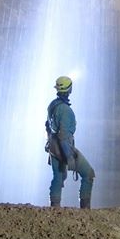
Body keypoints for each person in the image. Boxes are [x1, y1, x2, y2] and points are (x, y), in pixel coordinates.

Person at [46, 75, 95, 209]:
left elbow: (47, 125)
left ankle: (54, 207)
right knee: (88, 174)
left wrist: (50, 142)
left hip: (53, 147)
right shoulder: (66, 111)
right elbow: (63, 136)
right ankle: (85, 208)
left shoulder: (52, 105)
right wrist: (69, 157)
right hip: (64, 147)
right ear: (69, 89)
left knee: (58, 177)